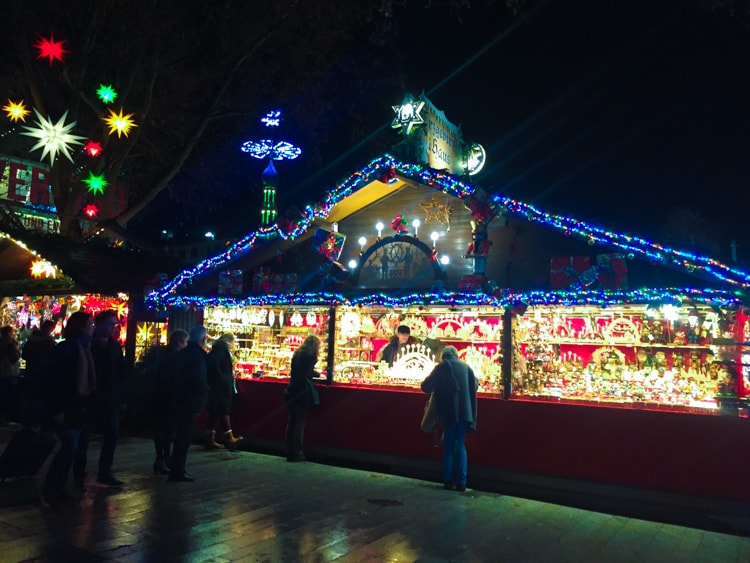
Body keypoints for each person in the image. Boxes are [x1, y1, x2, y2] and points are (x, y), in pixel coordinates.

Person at [41, 312, 96, 505]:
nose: (93, 327)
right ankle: (53, 487)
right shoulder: (70, 349)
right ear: (81, 327)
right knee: (70, 445)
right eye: (90, 324)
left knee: (71, 447)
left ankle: (58, 487)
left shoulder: (82, 348)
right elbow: (56, 380)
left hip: (76, 404)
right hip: (67, 404)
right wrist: (58, 408)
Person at [74, 310, 126, 489]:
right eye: (111, 324)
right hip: (91, 397)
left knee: (111, 435)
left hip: (110, 398)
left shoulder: (114, 347)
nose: (113, 328)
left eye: (115, 325)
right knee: (84, 437)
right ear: (100, 324)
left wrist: (121, 395)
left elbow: (121, 372)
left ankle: (105, 471)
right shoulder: (87, 345)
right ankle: (79, 474)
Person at [420, 345, 478, 492]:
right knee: (460, 445)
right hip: (465, 413)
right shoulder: (466, 367)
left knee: (449, 446)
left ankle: (448, 480)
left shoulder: (441, 368)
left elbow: (426, 387)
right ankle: (462, 482)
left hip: (449, 412)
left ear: (443, 356)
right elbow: (475, 385)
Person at [141, 328, 189, 475]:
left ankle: (161, 458)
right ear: (180, 341)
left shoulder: (162, 354)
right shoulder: (175, 357)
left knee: (161, 430)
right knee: (167, 431)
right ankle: (164, 459)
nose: (187, 345)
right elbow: (175, 378)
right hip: (168, 398)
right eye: (186, 341)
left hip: (158, 397)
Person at [168, 325, 210, 482]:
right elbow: (199, 378)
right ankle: (178, 470)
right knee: (184, 436)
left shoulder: (184, 352)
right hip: (191, 400)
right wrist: (205, 391)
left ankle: (175, 467)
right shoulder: (198, 355)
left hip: (181, 397)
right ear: (203, 339)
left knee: (180, 435)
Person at [284, 335, 322, 462]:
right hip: (302, 391)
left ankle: (289, 450)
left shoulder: (297, 354)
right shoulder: (311, 357)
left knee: (292, 422)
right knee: (300, 423)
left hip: (292, 389)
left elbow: (297, 372)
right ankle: (297, 452)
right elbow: (307, 373)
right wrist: (319, 374)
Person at [205, 333, 241, 450]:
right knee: (223, 410)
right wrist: (223, 378)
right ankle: (229, 438)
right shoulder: (221, 349)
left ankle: (210, 438)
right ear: (230, 341)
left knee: (215, 413)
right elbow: (214, 365)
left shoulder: (219, 348)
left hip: (218, 385)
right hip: (220, 386)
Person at [0, 325, 22, 424]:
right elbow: (14, 358)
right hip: (8, 373)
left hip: (2, 373)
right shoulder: (10, 344)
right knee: (7, 398)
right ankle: (5, 419)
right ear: (9, 333)